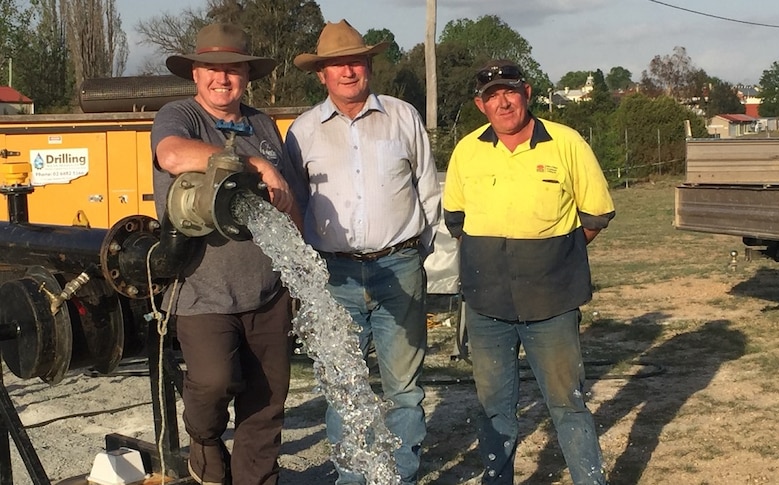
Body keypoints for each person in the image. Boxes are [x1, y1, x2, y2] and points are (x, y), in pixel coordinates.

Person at [282, 19, 441, 485]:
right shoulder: (303, 132)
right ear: (321, 75)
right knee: (343, 390)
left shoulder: (403, 116)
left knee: (403, 391)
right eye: (336, 65)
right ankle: (352, 478)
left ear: (369, 65)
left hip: (400, 266)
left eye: (355, 61)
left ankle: (401, 476)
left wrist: (415, 253)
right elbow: (295, 203)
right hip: (335, 276)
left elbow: (427, 190)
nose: (347, 71)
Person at [442, 59, 615, 485]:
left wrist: (550, 259)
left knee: (568, 404)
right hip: (487, 307)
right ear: (480, 104)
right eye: (491, 95)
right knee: (493, 409)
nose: (502, 102)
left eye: (510, 91)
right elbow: (457, 222)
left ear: (527, 92)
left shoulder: (567, 142)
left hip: (552, 303)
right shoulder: (467, 150)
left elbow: (594, 217)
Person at [150, 23, 302, 485]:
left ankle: (257, 480)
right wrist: (254, 164)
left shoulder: (262, 123)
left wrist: (299, 255)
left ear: (246, 76)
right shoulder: (179, 116)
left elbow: (289, 194)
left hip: (267, 292)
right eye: (212, 69)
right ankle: (206, 457)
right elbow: (173, 156)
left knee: (267, 401)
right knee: (214, 384)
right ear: (195, 74)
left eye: (233, 70)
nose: (223, 79)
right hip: (202, 291)